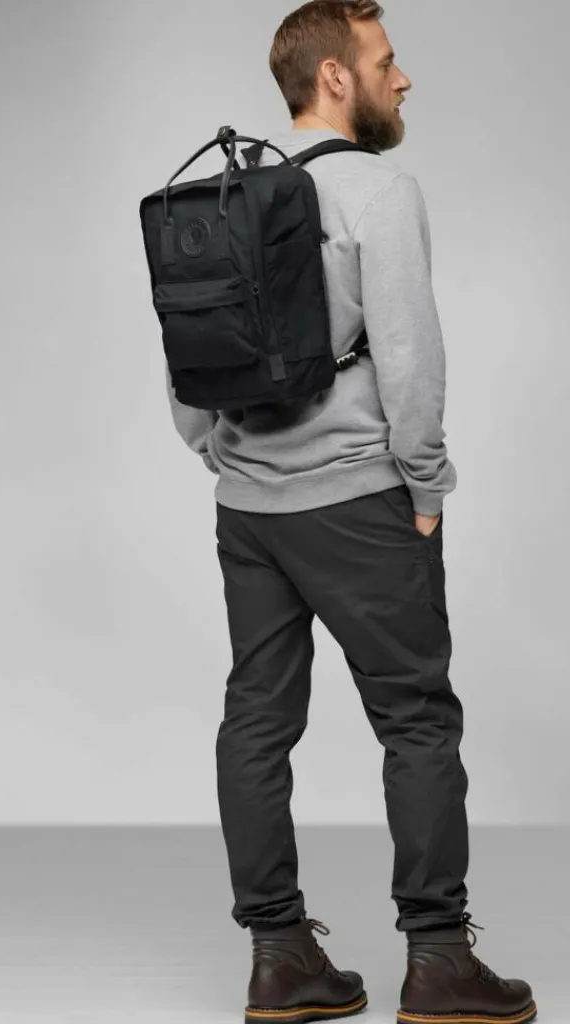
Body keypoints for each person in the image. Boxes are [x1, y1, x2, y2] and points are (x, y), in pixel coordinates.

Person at [165, 2, 536, 1022]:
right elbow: (410, 357)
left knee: (256, 720)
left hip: (249, 511)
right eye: (386, 60)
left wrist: (220, 454)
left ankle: (278, 957)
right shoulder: (378, 191)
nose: (402, 78)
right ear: (335, 76)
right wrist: (426, 487)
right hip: (360, 501)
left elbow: (186, 344)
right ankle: (439, 961)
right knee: (416, 719)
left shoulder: (224, 191)